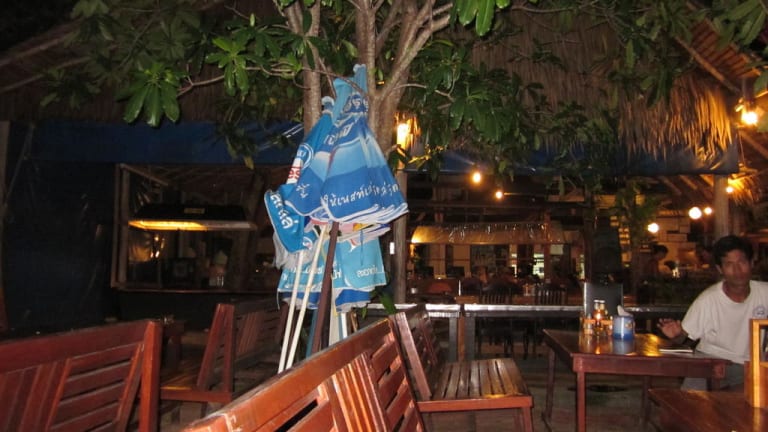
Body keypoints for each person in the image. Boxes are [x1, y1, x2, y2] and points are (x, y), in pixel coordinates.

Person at [657, 235, 768, 390]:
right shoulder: (708, 299)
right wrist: (676, 334)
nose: (737, 270)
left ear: (751, 264)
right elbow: (687, 338)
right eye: (729, 264)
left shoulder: (764, 293)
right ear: (720, 269)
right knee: (692, 398)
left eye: (741, 262)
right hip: (711, 360)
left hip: (750, 366)